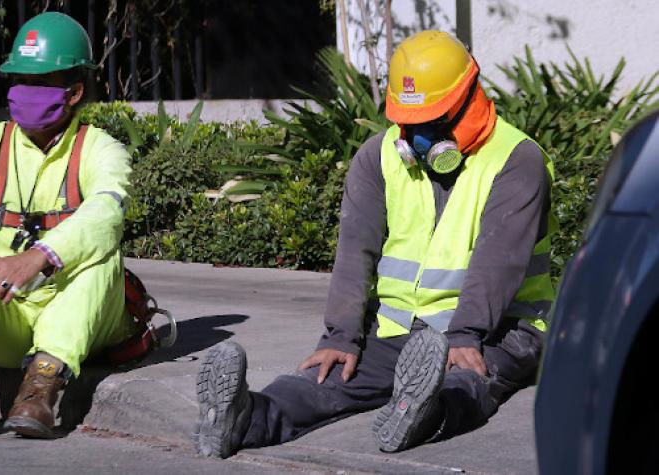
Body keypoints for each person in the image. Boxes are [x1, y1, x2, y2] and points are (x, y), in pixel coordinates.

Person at [194, 30, 555, 456]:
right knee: (330, 375)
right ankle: (249, 415)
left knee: (465, 379)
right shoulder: (377, 156)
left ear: (469, 99)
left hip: (501, 327)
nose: (417, 139)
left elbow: (499, 262)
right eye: (408, 123)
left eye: (432, 122)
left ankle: (428, 414)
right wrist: (340, 336)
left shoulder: (516, 160)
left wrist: (464, 335)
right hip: (401, 328)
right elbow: (354, 253)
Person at [0, 12, 135, 439]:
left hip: (81, 316)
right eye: (19, 81)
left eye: (39, 83)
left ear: (74, 92)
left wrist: (39, 257)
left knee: (102, 255)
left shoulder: (101, 150)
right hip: (5, 305)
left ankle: (42, 389)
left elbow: (106, 211)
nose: (23, 92)